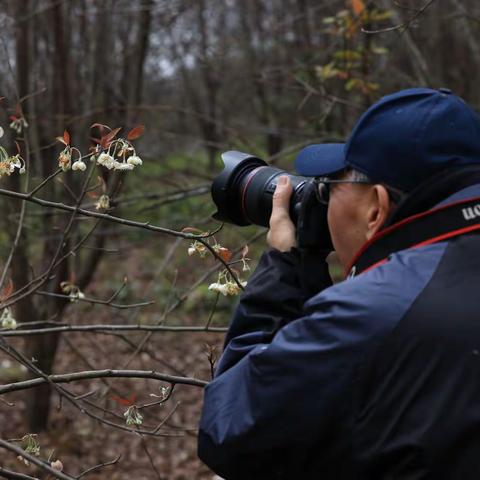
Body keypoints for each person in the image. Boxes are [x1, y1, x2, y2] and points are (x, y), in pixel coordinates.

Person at [198, 88, 480, 479]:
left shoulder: (373, 311)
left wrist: (285, 267)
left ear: (376, 208)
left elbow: (231, 429)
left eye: (331, 186)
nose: (321, 200)